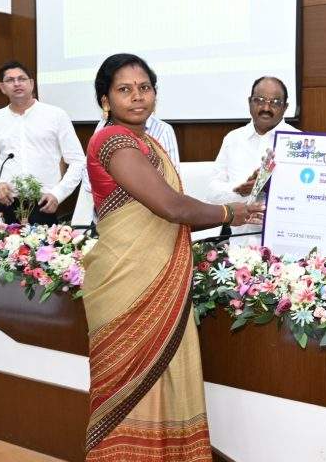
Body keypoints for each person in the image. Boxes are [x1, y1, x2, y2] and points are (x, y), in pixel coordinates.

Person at [82, 53, 263, 461]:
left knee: (166, 381)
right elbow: (171, 207)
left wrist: (228, 203)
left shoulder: (148, 142)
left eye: (144, 88)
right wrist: (228, 213)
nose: (137, 96)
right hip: (126, 284)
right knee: (127, 391)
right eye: (124, 89)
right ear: (105, 100)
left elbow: (171, 207)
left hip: (157, 280)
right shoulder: (112, 141)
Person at [0, 60, 85, 224]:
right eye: (10, 80)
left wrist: (58, 194)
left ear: (32, 84)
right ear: (2, 87)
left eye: (22, 78)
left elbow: (78, 161)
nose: (17, 83)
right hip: (5, 203)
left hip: (43, 203)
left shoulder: (56, 115)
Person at [207, 76, 299, 245]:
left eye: (275, 102)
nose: (266, 108)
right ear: (250, 102)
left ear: (285, 107)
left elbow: (306, 197)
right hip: (238, 245)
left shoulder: (297, 142)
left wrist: (269, 188)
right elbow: (212, 193)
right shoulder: (233, 139)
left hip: (284, 246)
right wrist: (241, 191)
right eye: (260, 100)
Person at [95, 114, 180, 170]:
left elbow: (172, 180)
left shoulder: (163, 129)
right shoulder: (104, 125)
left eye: (144, 91)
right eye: (124, 92)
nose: (137, 97)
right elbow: (90, 182)